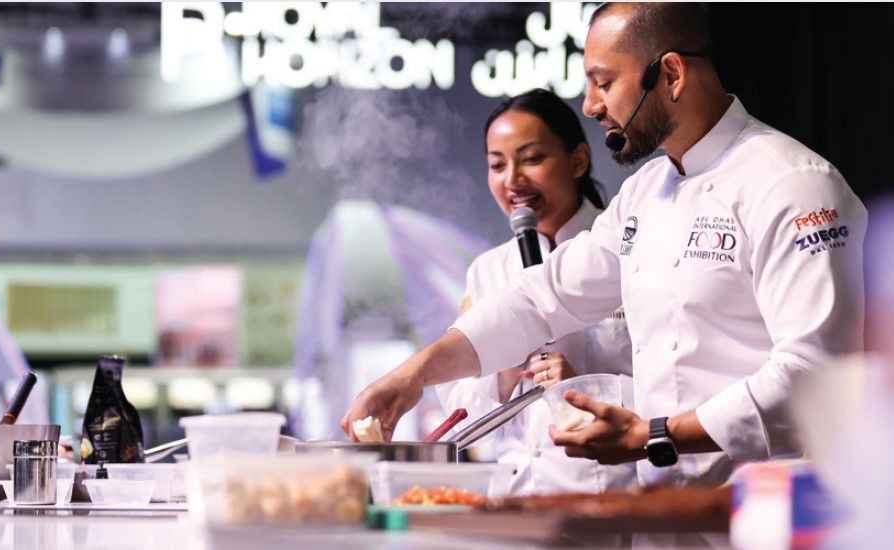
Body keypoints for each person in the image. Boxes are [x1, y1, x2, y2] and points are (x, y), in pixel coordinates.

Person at [342, 2, 867, 487]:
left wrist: (655, 434)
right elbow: (540, 297)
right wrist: (414, 373)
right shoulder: (645, 191)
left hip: (765, 516)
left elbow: (816, 378)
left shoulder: (793, 184)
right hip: (662, 520)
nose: (590, 106)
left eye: (603, 82)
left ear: (671, 75)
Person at [436, 88, 636, 495]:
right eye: (497, 165)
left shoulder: (627, 250)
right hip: (514, 496)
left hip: (608, 496)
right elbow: (462, 413)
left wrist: (589, 387)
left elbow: (676, 381)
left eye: (531, 159)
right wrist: (503, 364)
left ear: (578, 160)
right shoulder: (488, 271)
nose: (513, 180)